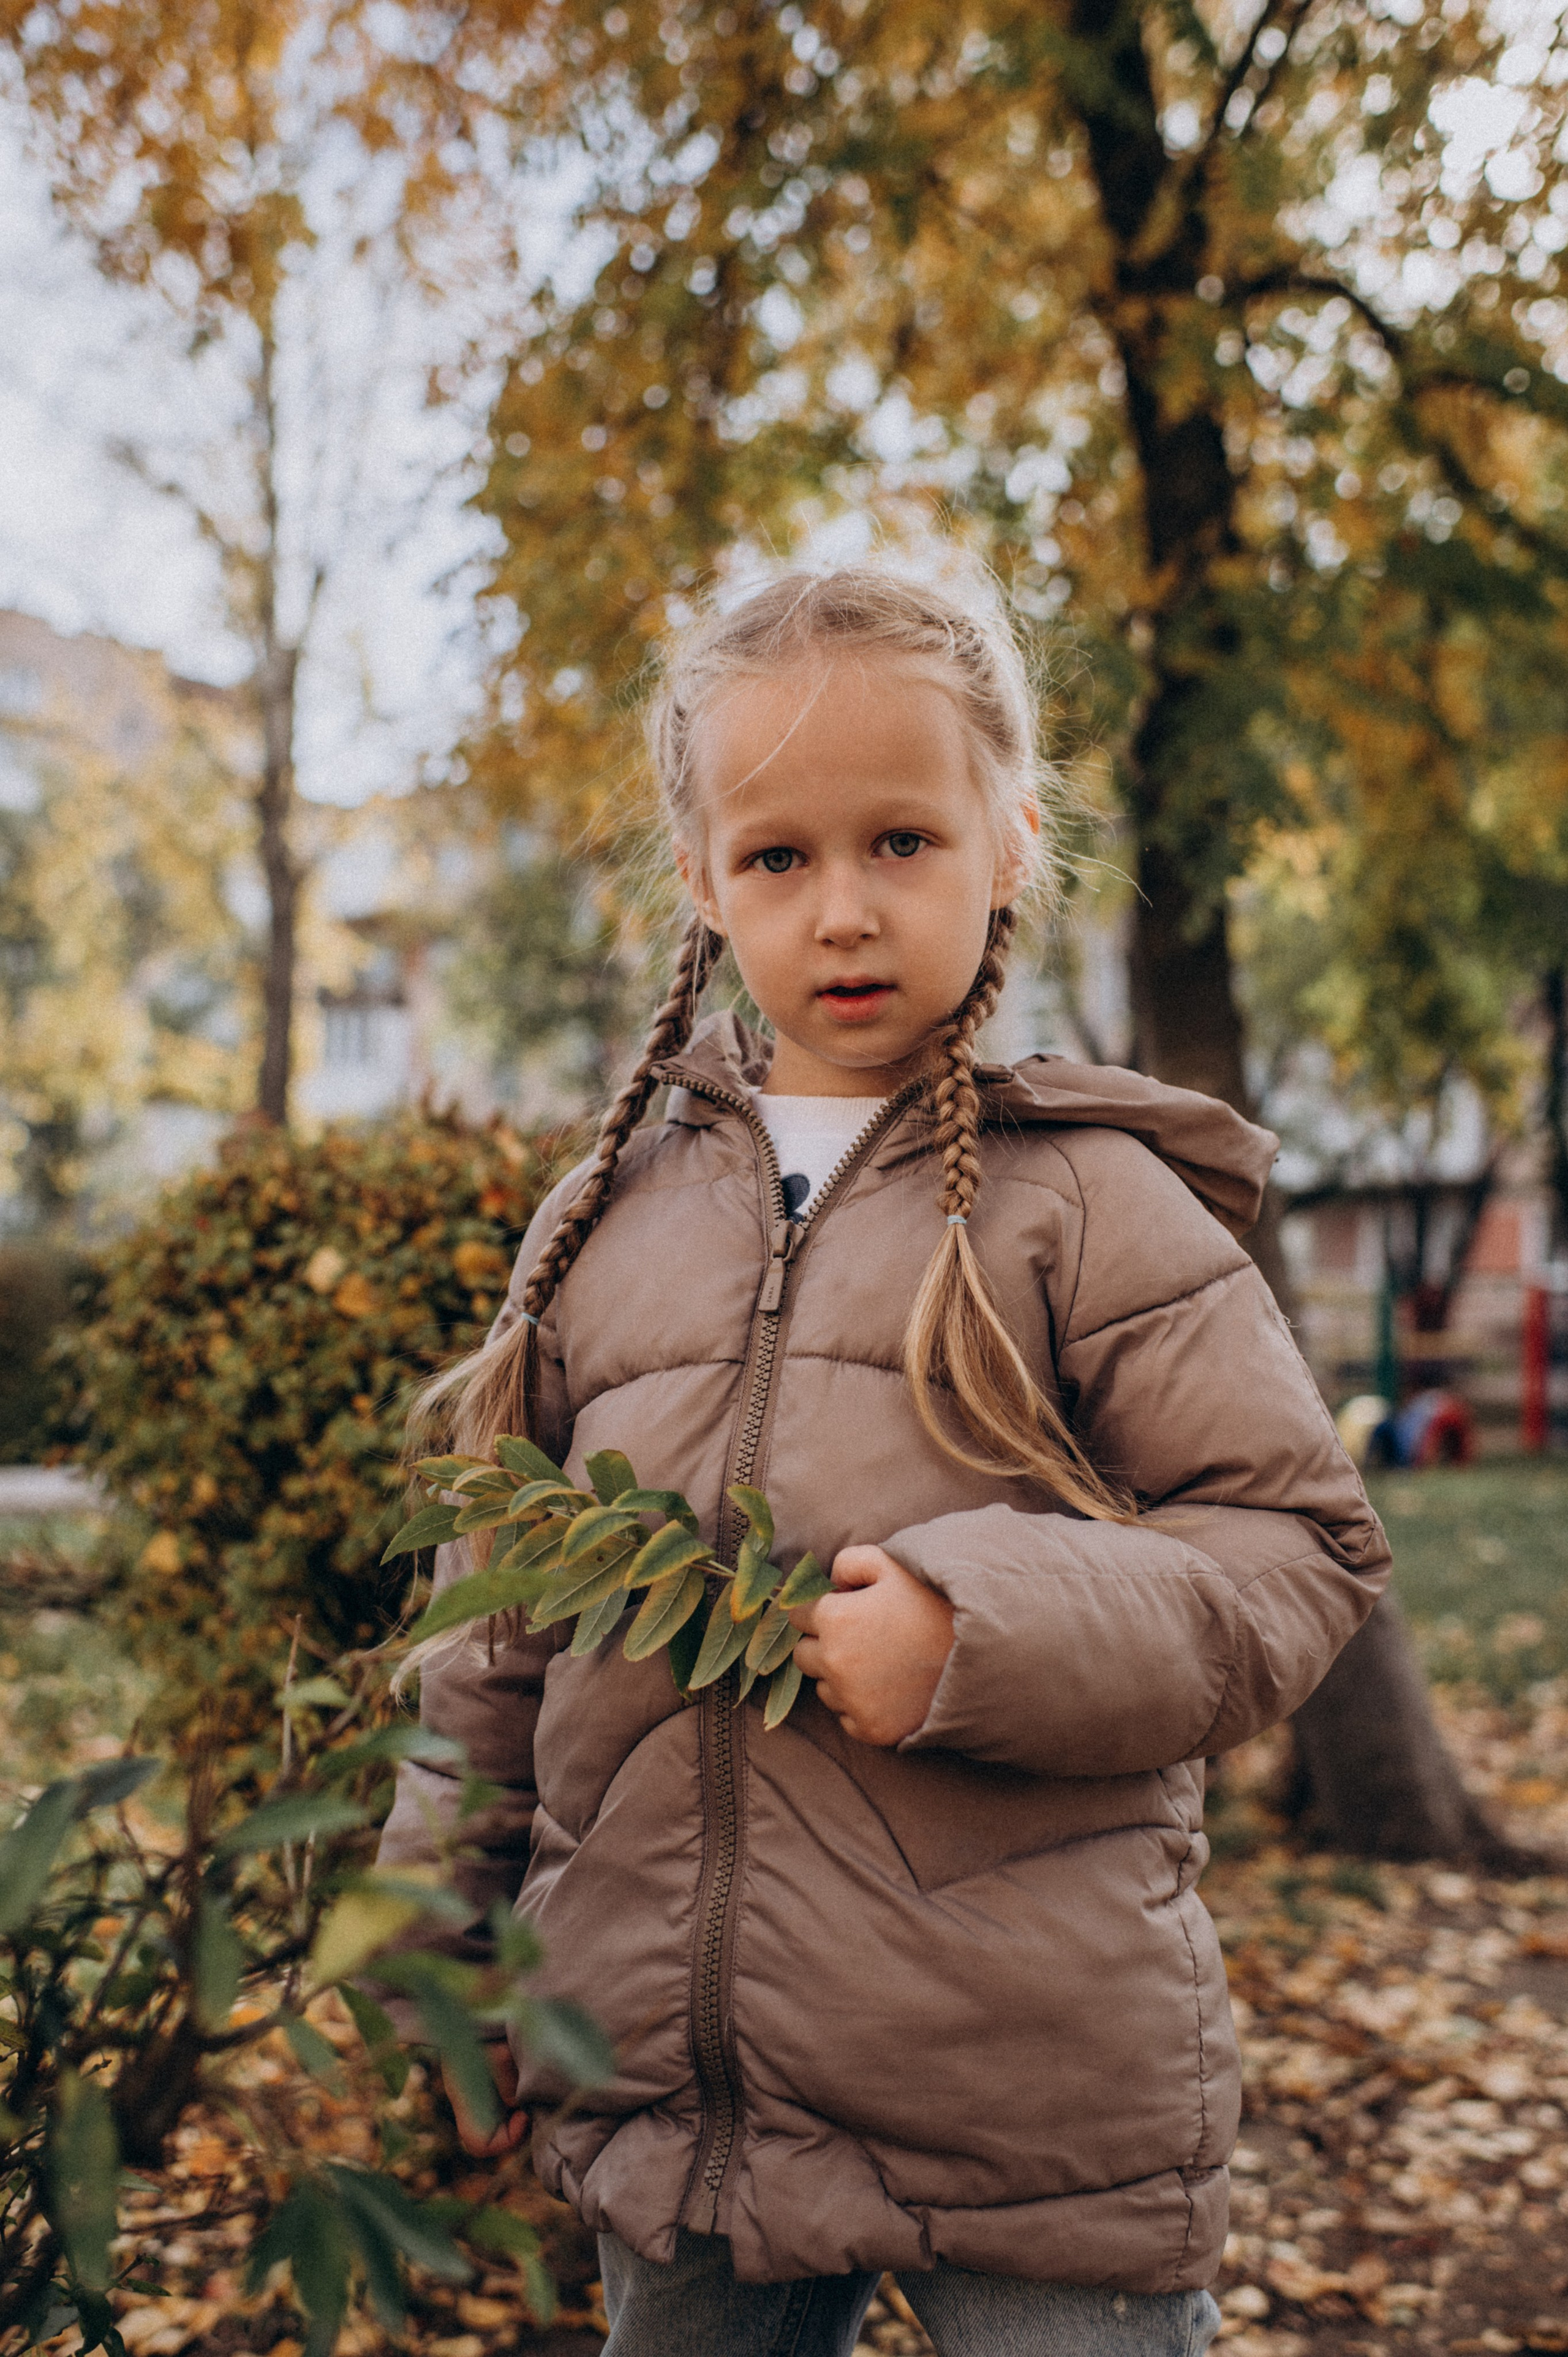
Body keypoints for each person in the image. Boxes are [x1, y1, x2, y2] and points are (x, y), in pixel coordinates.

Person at [377, 562, 1390, 2356]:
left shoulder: (1091, 1201)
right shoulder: (607, 1221)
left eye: (902, 842)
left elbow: (1294, 1553)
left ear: (1007, 843)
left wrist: (975, 1631)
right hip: (680, 2114)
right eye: (781, 858)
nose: (844, 910)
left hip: (1036, 2106)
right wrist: (443, 1967)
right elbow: (496, 1624)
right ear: (702, 881)